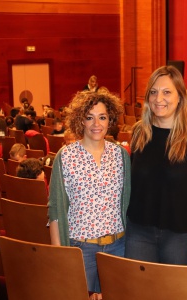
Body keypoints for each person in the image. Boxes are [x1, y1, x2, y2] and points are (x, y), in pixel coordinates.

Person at [125, 66, 187, 267]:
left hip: (182, 236)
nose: (159, 98)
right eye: (153, 92)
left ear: (180, 97)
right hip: (139, 233)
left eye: (166, 92)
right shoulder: (139, 134)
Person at [48, 90, 130, 293]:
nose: (96, 124)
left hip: (117, 247)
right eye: (89, 117)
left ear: (109, 120)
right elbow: (55, 209)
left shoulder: (120, 155)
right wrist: (59, 255)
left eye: (102, 117)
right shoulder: (66, 156)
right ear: (81, 121)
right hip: (81, 248)